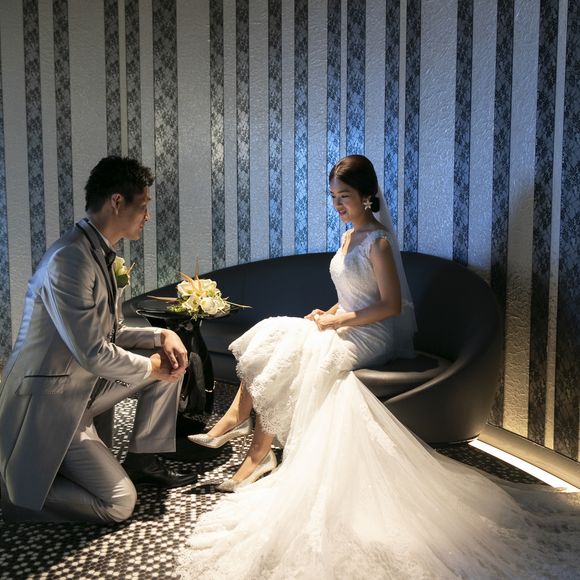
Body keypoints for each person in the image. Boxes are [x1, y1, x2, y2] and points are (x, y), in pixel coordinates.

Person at [180, 155, 579, 578]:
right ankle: (242, 431)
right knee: (274, 333)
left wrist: (339, 322)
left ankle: (253, 448)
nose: (338, 204)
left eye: (345, 196)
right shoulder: (348, 236)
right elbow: (352, 295)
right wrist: (329, 312)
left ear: (367, 196)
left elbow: (389, 306)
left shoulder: (379, 242)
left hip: (373, 337)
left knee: (299, 350)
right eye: (333, 196)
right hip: (347, 324)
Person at [0, 156, 197, 524]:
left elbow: (112, 332)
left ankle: (142, 458)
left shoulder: (99, 253)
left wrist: (163, 334)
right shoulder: (69, 260)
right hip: (52, 398)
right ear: (117, 201)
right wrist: (150, 367)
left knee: (170, 357)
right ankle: (18, 495)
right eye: (144, 206)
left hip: (85, 386)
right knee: (120, 503)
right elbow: (92, 351)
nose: (148, 216)